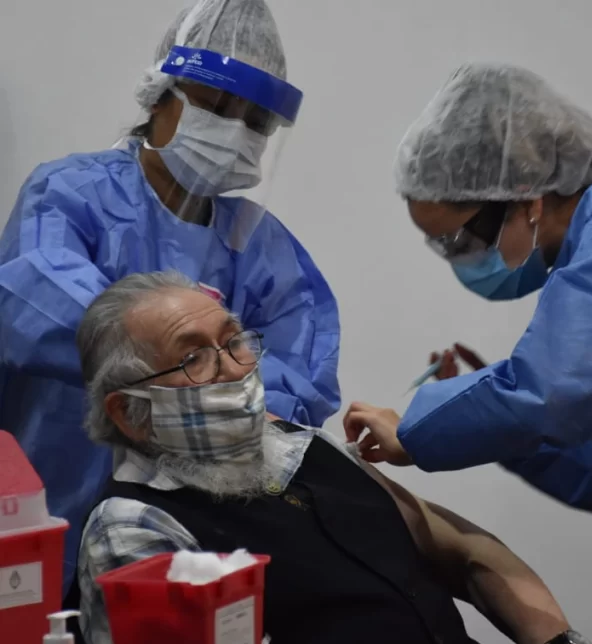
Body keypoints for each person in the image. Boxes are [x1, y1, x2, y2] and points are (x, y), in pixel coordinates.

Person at [73, 271, 592, 644]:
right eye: (194, 357)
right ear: (129, 412)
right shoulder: (132, 527)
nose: (235, 369)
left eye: (234, 341)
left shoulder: (297, 446)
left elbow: (461, 549)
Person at [0, 0, 341, 595]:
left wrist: (185, 376)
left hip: (192, 537)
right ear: (160, 95)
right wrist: (203, 375)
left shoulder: (259, 246)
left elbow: (301, 382)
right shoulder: (71, 194)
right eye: (217, 106)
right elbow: (37, 305)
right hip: (51, 510)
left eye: (256, 121)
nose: (235, 131)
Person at [343, 62, 592, 522]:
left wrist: (415, 431)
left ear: (527, 198)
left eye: (461, 241)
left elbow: (552, 394)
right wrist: (490, 422)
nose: (464, 260)